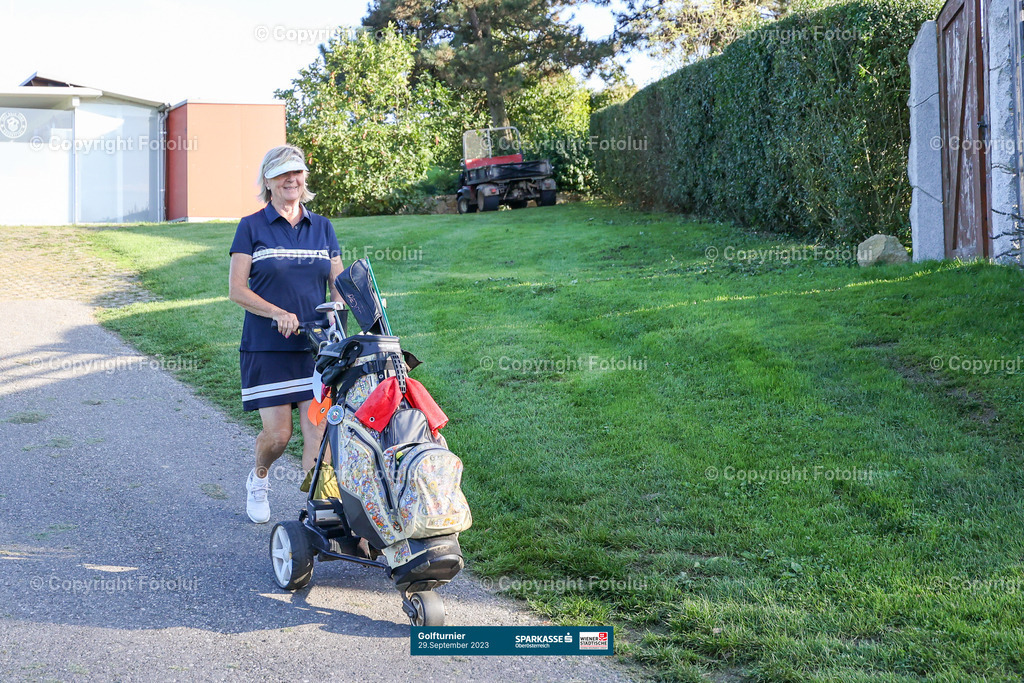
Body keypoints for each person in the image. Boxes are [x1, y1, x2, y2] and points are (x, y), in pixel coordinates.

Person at [228, 145, 343, 524]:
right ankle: (259, 479)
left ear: (303, 177)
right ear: (268, 181)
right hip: (268, 348)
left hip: (316, 350)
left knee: (318, 431)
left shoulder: (322, 227)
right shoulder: (251, 226)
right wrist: (276, 312)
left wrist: (341, 306)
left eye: (296, 172)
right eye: (281, 174)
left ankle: (321, 513)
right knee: (278, 436)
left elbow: (338, 283)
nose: (291, 180)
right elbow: (237, 290)